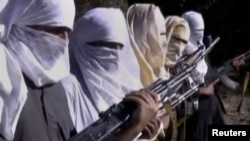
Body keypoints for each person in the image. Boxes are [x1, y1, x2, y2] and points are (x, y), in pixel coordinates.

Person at [69, 7, 161, 140]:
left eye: (119, 47)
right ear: (82, 42)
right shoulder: (69, 88)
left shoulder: (128, 85)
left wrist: (144, 134)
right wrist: (134, 129)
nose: (113, 54)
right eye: (105, 45)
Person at [0, 0, 78, 140]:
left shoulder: (57, 83)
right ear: (26, 22)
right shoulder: (5, 81)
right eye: (56, 30)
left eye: (67, 32)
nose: (64, 41)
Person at [178, 11, 224, 141]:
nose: (200, 34)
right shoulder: (180, 51)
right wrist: (202, 90)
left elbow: (207, 73)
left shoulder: (200, 48)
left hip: (208, 101)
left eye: (201, 30)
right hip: (193, 109)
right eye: (197, 30)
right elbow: (178, 88)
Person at [126, 3, 168, 87]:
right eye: (160, 34)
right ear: (139, 34)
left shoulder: (163, 73)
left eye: (164, 34)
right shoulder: (127, 82)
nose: (165, 43)